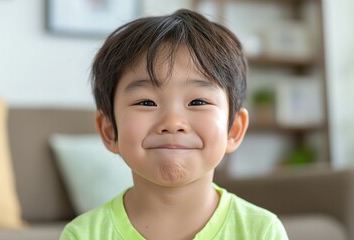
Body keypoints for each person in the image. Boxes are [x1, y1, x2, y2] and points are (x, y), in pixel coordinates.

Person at [60, 9, 288, 240]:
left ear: (234, 130)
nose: (172, 123)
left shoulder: (262, 231)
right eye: (146, 102)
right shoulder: (82, 235)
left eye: (198, 101)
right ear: (109, 131)